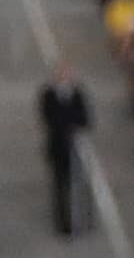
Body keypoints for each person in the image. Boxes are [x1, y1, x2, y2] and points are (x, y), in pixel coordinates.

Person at [40, 69, 96, 234]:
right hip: (58, 146)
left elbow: (86, 118)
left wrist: (73, 125)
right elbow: (47, 117)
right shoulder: (49, 94)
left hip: (76, 147)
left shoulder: (77, 94)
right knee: (60, 185)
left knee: (80, 183)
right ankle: (64, 222)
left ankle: (83, 219)